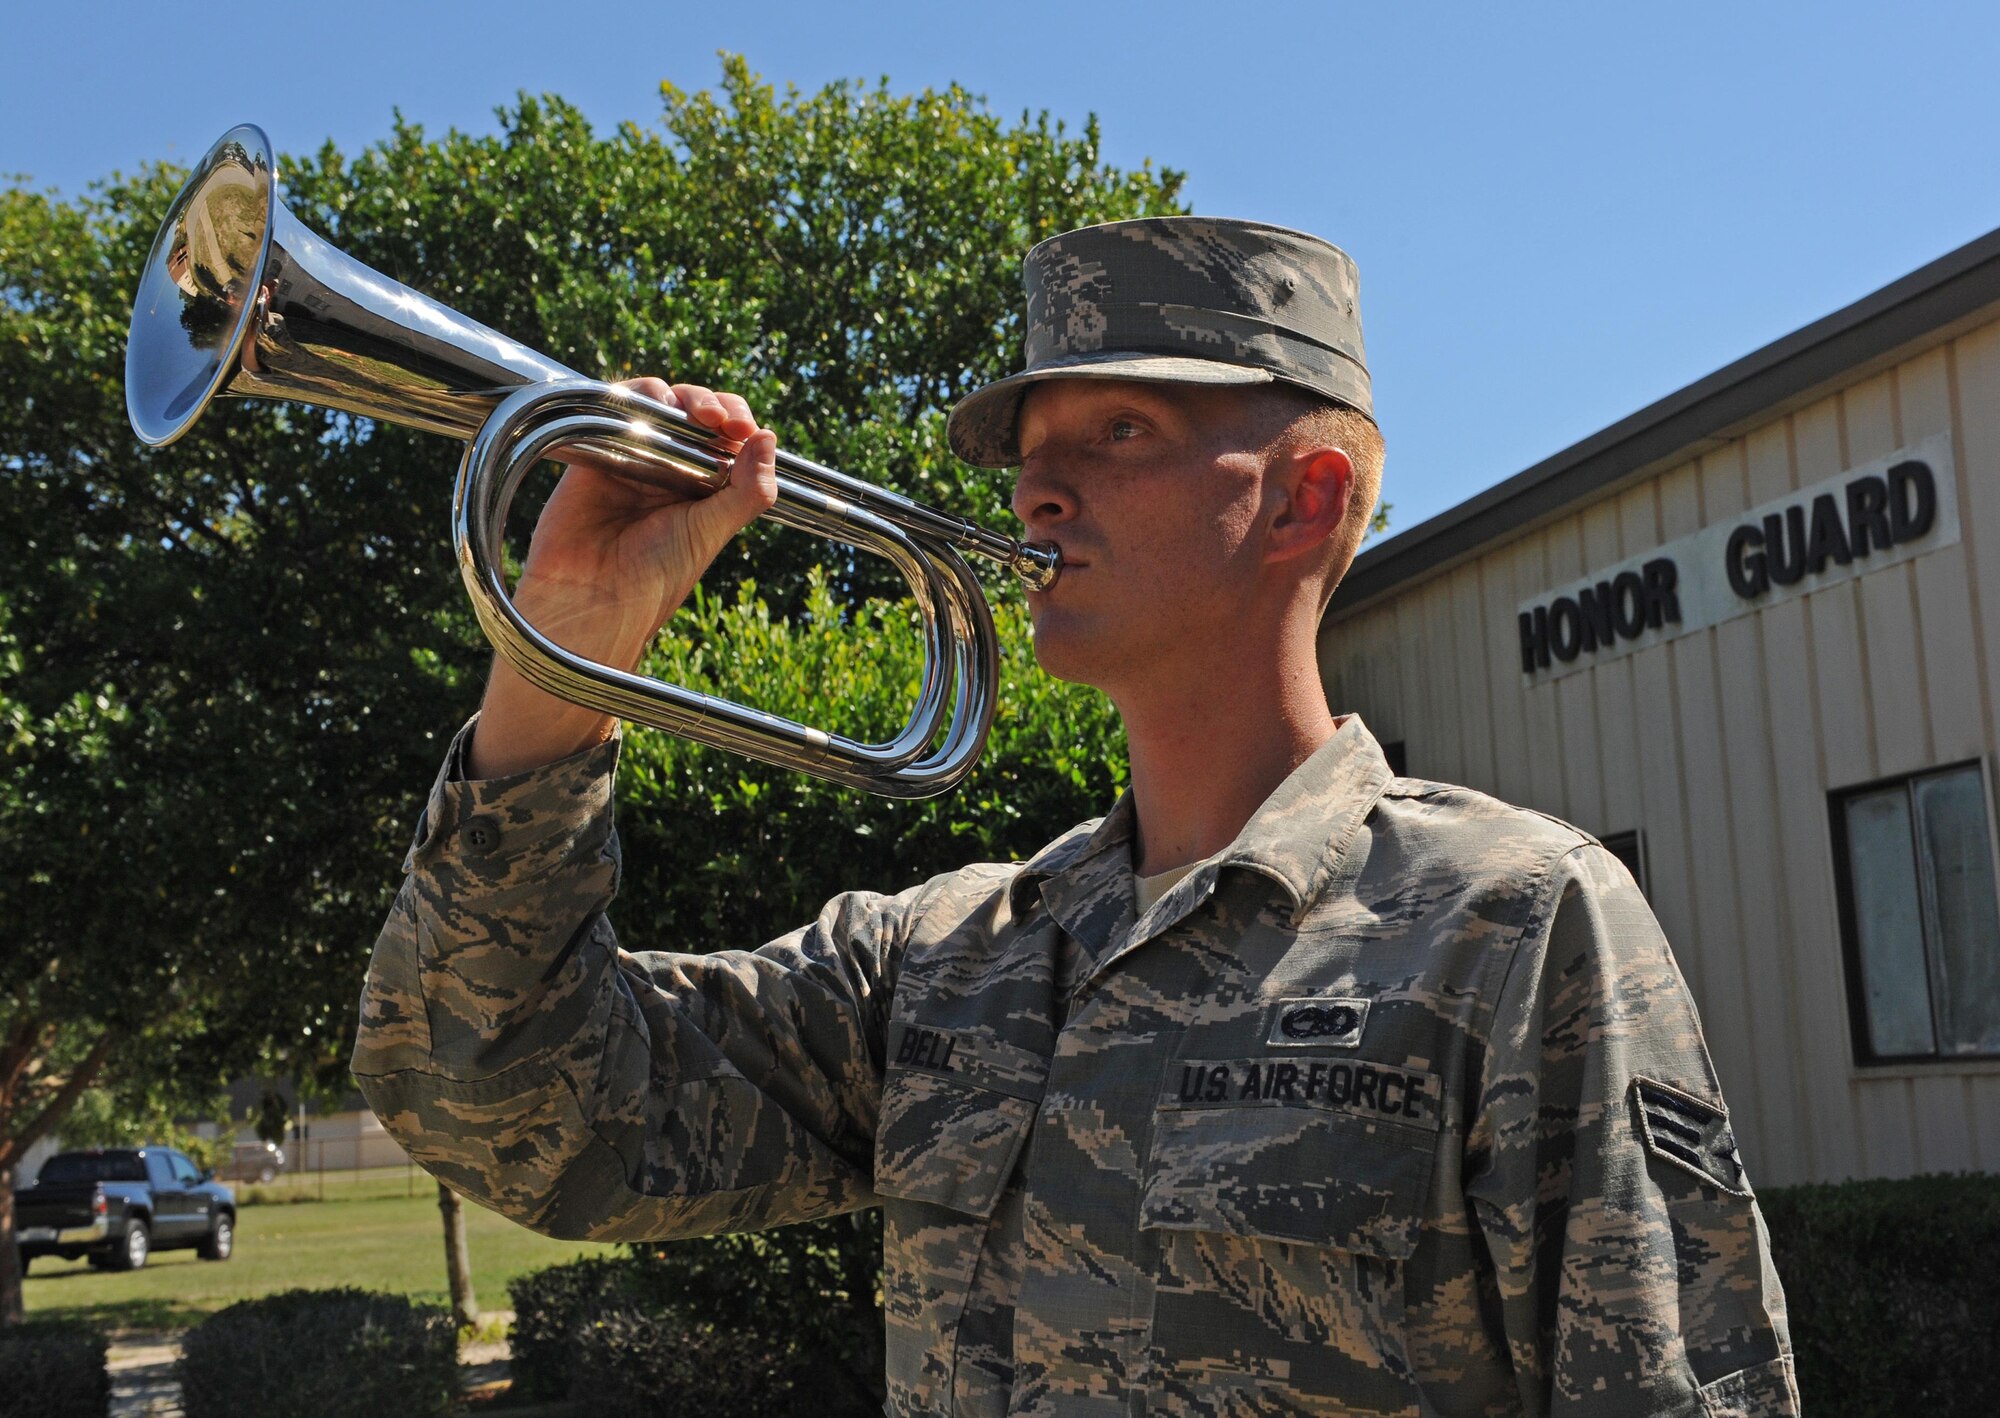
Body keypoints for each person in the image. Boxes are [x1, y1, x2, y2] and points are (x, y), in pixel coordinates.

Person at [352, 217, 1799, 1416]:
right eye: (1034, 446)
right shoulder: (942, 958)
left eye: (1122, 429)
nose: (1039, 488)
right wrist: (562, 653)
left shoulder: (1512, 921)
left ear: (1307, 498)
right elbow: (511, 1107)